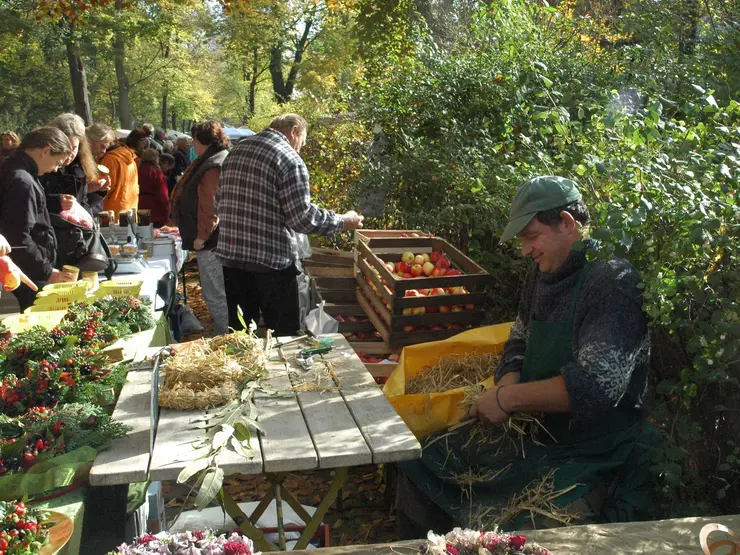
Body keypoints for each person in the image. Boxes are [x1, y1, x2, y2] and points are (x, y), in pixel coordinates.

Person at [395, 176, 656, 537]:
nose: (525, 251)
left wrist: (509, 398)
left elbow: (597, 387)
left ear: (566, 223)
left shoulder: (613, 282)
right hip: (536, 433)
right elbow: (518, 339)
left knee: (533, 528)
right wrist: (505, 389)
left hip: (595, 448)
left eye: (531, 237)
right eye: (521, 240)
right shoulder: (543, 272)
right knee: (422, 459)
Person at [215, 113, 364, 335]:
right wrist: (343, 221)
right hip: (271, 264)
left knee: (240, 335)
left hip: (232, 260)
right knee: (283, 336)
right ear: (294, 131)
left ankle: (244, 368)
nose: (300, 149)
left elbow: (218, 203)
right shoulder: (289, 159)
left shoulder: (237, 150)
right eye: (302, 143)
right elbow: (302, 218)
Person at [0, 127, 77, 309]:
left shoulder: (13, 168)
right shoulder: (22, 180)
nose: (54, 170)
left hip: (21, 269)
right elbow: (18, 238)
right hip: (26, 273)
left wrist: (54, 202)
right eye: (57, 163)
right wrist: (47, 271)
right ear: (45, 151)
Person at [170, 121, 230, 334]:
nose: (192, 142)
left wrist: (201, 236)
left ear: (205, 140)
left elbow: (210, 206)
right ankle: (224, 331)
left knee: (215, 291)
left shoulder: (213, 164)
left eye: (195, 138)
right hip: (213, 240)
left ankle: (226, 336)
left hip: (213, 242)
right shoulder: (210, 160)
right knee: (216, 290)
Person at [40, 113, 100, 215]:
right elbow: (31, 201)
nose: (70, 154)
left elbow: (83, 204)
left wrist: (97, 192)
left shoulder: (80, 168)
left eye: (74, 148)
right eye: (66, 148)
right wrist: (57, 202)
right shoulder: (42, 167)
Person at [100, 128, 146, 219]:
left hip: (113, 211)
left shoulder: (111, 158)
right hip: (130, 209)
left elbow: (106, 186)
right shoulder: (131, 161)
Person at [85, 122, 116, 215]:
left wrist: (100, 190)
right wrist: (91, 188)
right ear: (91, 140)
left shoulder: (93, 160)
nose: (104, 150)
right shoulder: (78, 161)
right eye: (102, 146)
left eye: (106, 147)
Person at [137, 149, 169, 227]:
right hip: (154, 207)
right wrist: (166, 208)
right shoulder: (155, 172)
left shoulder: (137, 170)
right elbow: (162, 193)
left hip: (139, 203)